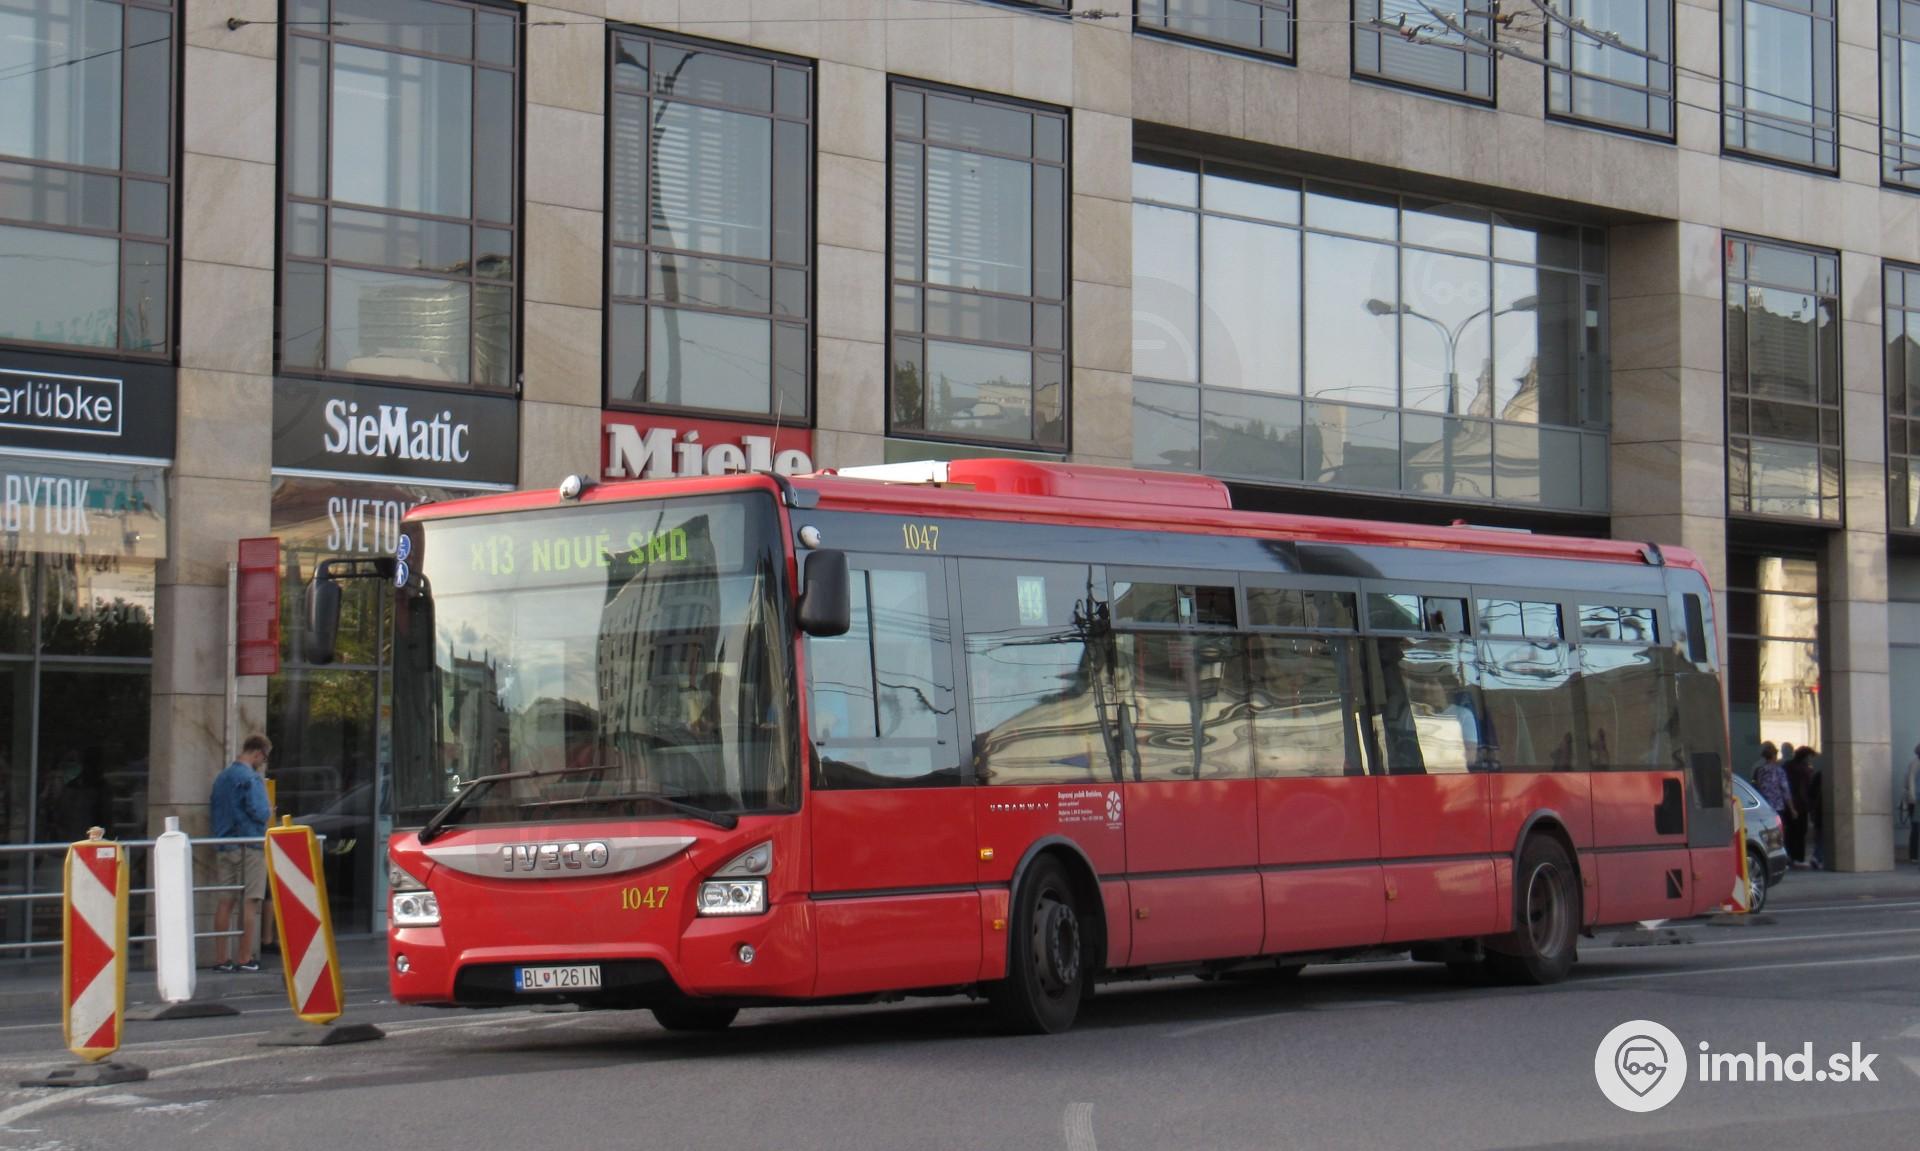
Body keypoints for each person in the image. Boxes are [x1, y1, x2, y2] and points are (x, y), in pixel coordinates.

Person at [210, 735, 272, 973]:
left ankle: (221, 958)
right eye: (264, 758)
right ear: (258, 753)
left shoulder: (222, 778)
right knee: (250, 902)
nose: (263, 763)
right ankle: (245, 958)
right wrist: (269, 810)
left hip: (224, 845)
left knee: (225, 902)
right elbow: (260, 812)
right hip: (249, 846)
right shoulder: (251, 779)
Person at [1785, 745, 1817, 868]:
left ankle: (1790, 857)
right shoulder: (1804, 770)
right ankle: (1798, 857)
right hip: (1800, 805)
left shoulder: (1787, 766)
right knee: (1800, 832)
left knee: (1790, 832)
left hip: (1788, 804)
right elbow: (1805, 789)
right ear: (1805, 757)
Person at [1753, 742, 1791, 818]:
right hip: (1777, 806)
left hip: (1764, 805)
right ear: (1774, 756)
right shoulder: (1779, 771)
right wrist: (1791, 808)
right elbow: (1785, 790)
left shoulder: (1760, 770)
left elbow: (1758, 786)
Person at [1904, 744, 1919, 868]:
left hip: (1913, 801)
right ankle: (1914, 855)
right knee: (1916, 828)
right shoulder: (1916, 764)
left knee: (1915, 828)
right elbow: (1911, 783)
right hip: (1917, 801)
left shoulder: (1913, 763)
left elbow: (1907, 783)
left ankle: (1914, 855)